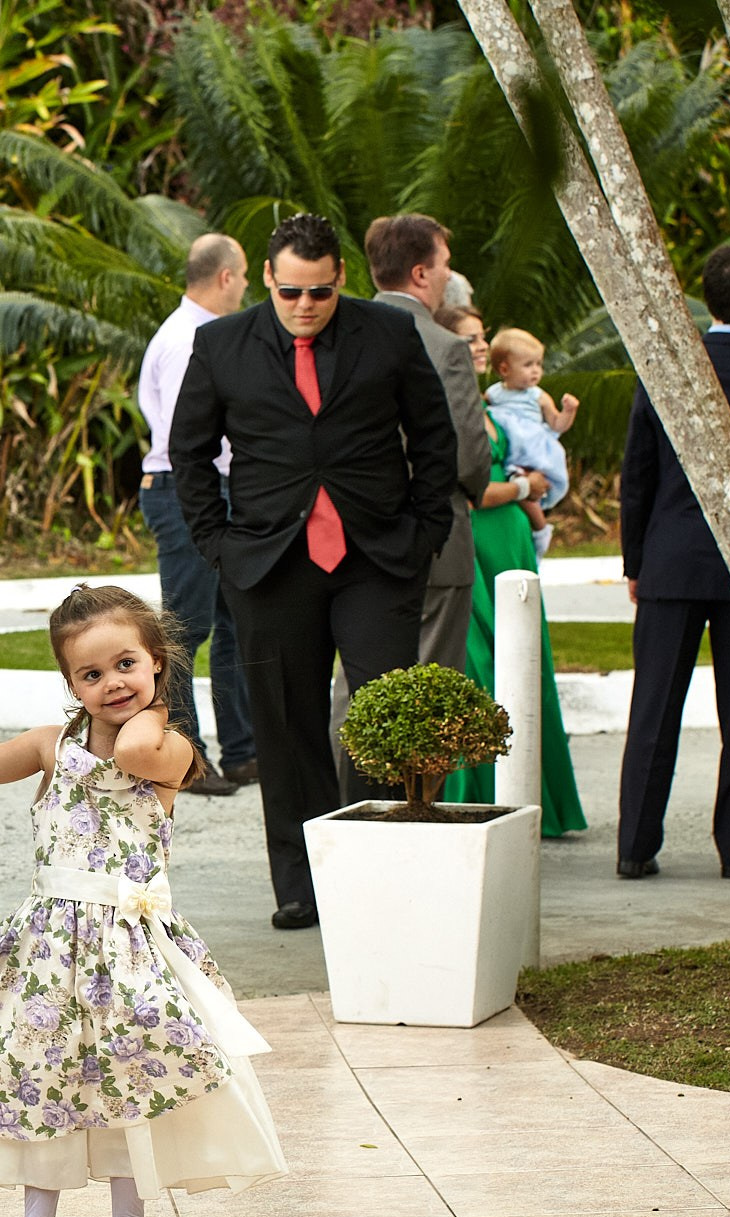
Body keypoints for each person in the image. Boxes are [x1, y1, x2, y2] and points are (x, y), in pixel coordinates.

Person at [0, 585, 284, 1217]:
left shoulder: (169, 747)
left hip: (128, 951)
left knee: (128, 1076)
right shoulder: (49, 747)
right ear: (70, 685)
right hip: (48, 951)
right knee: (41, 1076)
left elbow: (135, 750)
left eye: (127, 664)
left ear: (157, 662)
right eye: (91, 674)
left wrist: (156, 703)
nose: (112, 683)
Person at [171, 213, 458, 930]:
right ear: (268, 278)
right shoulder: (221, 344)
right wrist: (218, 544)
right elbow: (189, 453)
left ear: (341, 279)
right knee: (285, 724)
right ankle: (301, 885)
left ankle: (382, 875)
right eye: (292, 291)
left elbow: (434, 435)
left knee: (384, 717)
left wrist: (425, 532)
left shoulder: (388, 333)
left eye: (321, 292)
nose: (305, 305)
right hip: (269, 564)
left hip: (377, 559)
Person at [618, 244, 730, 881]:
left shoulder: (668, 372)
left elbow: (638, 475)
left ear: (707, 299)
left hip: (671, 561)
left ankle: (635, 847)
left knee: (654, 709)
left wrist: (636, 562)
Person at [433, 305, 589, 835]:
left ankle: (541, 802)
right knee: (481, 665)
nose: (480, 347)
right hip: (474, 545)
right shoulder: (445, 402)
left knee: (525, 664)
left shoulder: (492, 404)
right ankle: (476, 799)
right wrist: (525, 487)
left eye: (482, 339)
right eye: (469, 340)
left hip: (512, 544)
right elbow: (469, 492)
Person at [136, 233, 256, 797]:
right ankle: (184, 758)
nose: (248, 286)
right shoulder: (188, 340)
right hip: (187, 489)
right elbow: (188, 436)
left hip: (209, 489)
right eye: (246, 276)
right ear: (226, 276)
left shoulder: (194, 333)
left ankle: (243, 751)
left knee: (234, 623)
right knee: (186, 629)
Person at [363, 214, 491, 675]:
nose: (448, 276)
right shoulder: (445, 347)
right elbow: (467, 454)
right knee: (431, 675)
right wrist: (477, 489)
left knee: (360, 673)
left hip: (358, 533)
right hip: (436, 529)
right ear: (420, 273)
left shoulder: (343, 338)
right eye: (445, 265)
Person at [484, 327, 579, 560]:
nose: (536, 370)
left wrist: (569, 411)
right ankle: (536, 529)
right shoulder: (493, 394)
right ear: (504, 369)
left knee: (527, 490)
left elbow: (556, 423)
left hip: (531, 452)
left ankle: (541, 529)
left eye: (538, 364)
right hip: (509, 451)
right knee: (519, 491)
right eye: (528, 365)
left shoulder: (537, 395)